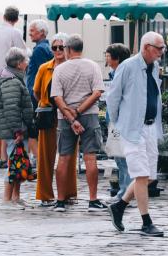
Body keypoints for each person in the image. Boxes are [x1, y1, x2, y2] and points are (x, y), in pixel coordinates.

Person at [107, 31, 165, 236]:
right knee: (141, 175)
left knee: (149, 176)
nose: (162, 51)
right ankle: (146, 222)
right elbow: (112, 98)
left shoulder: (154, 66)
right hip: (133, 129)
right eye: (159, 48)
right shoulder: (128, 67)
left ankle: (119, 206)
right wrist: (120, 122)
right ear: (146, 47)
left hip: (149, 127)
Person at [50, 34, 106, 213]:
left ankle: (60, 200)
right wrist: (79, 111)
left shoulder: (60, 69)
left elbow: (57, 97)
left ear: (67, 49)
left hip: (65, 117)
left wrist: (71, 116)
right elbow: (97, 92)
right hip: (88, 114)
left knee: (64, 158)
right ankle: (92, 199)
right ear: (81, 48)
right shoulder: (92, 66)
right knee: (90, 157)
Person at [32, 32, 78, 208]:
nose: (58, 50)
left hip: (67, 114)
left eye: (61, 47)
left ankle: (68, 193)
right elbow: (36, 90)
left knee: (69, 155)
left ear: (67, 48)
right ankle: (45, 194)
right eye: (55, 47)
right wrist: (44, 103)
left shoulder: (72, 66)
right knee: (45, 156)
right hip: (48, 114)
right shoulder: (45, 68)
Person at [0, 47, 34, 210]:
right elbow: (11, 108)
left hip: (14, 128)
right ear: (18, 64)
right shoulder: (12, 82)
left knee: (18, 163)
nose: (27, 63)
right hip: (12, 130)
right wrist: (18, 131)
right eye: (24, 60)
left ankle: (16, 197)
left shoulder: (14, 78)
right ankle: (7, 199)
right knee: (12, 163)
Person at [0, 6, 26, 167]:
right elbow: (22, 53)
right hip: (8, 78)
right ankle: (2, 157)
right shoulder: (14, 33)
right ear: (16, 19)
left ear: (4, 16)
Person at [104, 42, 132, 203]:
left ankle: (124, 194)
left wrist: (114, 120)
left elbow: (116, 100)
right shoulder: (115, 73)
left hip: (119, 121)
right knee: (120, 158)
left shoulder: (121, 74)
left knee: (123, 158)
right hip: (117, 120)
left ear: (117, 58)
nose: (106, 59)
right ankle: (124, 192)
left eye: (108, 56)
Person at [26, 19, 53, 163]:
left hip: (35, 95)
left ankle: (39, 159)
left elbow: (41, 74)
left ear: (41, 32)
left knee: (33, 127)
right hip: (39, 94)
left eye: (32, 30)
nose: (30, 33)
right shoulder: (46, 48)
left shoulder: (39, 50)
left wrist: (37, 95)